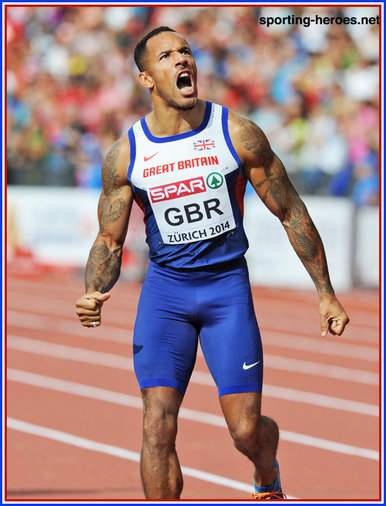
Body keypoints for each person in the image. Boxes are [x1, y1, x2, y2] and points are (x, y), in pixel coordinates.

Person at [75, 26, 349, 500]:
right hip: (165, 296)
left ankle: (267, 472)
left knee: (245, 432)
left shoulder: (236, 134)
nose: (182, 60)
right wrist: (95, 290)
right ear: (147, 79)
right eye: (167, 56)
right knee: (157, 426)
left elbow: (291, 212)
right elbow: (108, 239)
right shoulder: (126, 155)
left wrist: (325, 292)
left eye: (186, 51)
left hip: (226, 292)